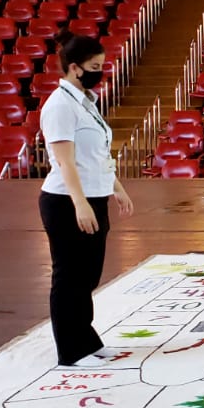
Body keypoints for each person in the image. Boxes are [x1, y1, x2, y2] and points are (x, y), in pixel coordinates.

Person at [39, 32, 133, 366]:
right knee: (69, 277)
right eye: (95, 66)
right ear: (75, 68)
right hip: (66, 201)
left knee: (88, 276)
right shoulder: (59, 106)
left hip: (94, 196)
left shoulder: (86, 102)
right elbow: (65, 161)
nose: (100, 71)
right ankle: (71, 350)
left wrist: (116, 187)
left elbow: (98, 155)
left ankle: (87, 339)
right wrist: (79, 203)